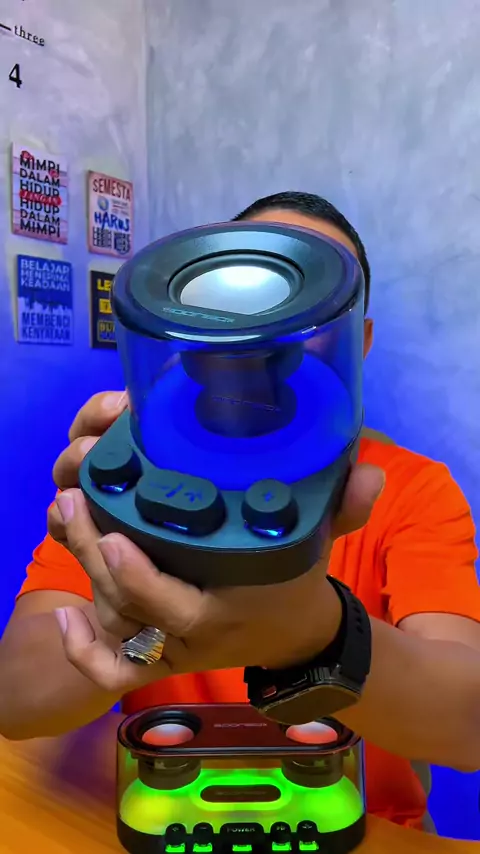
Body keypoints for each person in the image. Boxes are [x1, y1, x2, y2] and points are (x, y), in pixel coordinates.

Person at [1, 192, 480, 832]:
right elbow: (16, 697)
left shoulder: (413, 488)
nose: (263, 339)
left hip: (363, 830)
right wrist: (139, 626)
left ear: (356, 342)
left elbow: (468, 722)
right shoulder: (138, 475)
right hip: (167, 814)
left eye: (302, 311)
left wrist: (313, 637)